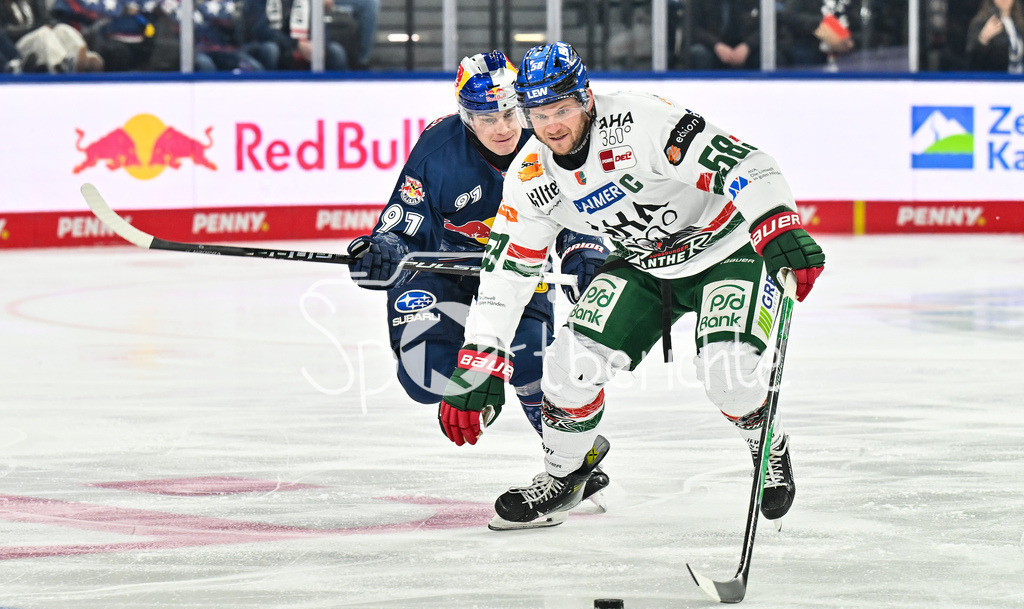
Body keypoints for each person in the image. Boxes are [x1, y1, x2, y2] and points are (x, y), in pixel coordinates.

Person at [438, 42, 826, 531]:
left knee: (727, 373)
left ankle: (767, 447)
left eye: (562, 109)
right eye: (538, 114)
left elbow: (745, 163)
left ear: (586, 97)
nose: (552, 126)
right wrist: (482, 355)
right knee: (567, 366)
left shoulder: (641, 121)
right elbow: (508, 269)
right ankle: (565, 475)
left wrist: (776, 222)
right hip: (643, 264)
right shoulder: (531, 175)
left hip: (728, 249)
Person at [346, 51, 611, 497]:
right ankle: (478, 385)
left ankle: (570, 460)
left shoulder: (548, 138)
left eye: (509, 113)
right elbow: (403, 224)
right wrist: (384, 252)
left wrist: (583, 251)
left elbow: (577, 210)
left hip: (520, 266)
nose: (503, 128)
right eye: (487, 118)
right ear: (466, 117)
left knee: (532, 361)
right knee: (424, 378)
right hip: (441, 268)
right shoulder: (438, 150)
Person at [687, 0, 761, 70]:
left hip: (745, 48)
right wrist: (716, 45)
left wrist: (748, 46)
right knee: (699, 53)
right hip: (711, 47)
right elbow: (693, 28)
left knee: (762, 54)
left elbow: (763, 27)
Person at [966, 0, 1024, 73]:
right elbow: (972, 62)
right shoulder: (980, 23)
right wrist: (983, 38)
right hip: (996, 78)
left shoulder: (1019, 23)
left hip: (1020, 78)